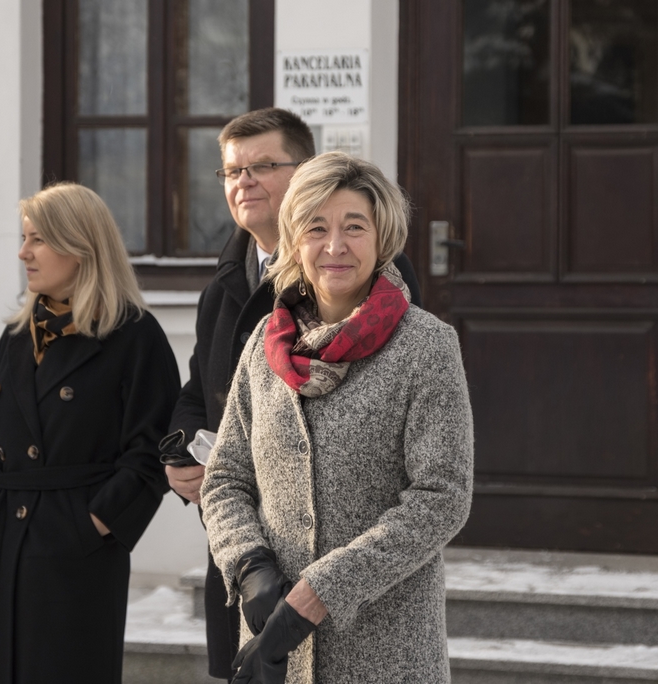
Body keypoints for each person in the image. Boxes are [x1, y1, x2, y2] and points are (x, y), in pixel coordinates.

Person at [163, 107, 422, 680]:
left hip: (347, 564)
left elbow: (393, 395)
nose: (244, 181)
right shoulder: (222, 286)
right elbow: (201, 391)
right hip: (248, 552)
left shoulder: (369, 271)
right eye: (232, 171)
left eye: (262, 166)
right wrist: (180, 451)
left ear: (305, 172)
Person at [200, 151, 474, 683]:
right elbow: (226, 477)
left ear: (381, 236)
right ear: (294, 239)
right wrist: (249, 564)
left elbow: (442, 498)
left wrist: (319, 593)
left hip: (387, 654)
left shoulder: (426, 346)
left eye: (354, 227)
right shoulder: (263, 346)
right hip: (273, 648)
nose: (334, 246)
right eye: (316, 228)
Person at [0, 182, 181, 683]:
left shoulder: (134, 336)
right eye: (24, 238)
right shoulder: (17, 336)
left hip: (74, 554)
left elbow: (151, 454)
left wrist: (90, 526)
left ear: (80, 247)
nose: (23, 252)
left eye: (37, 239)